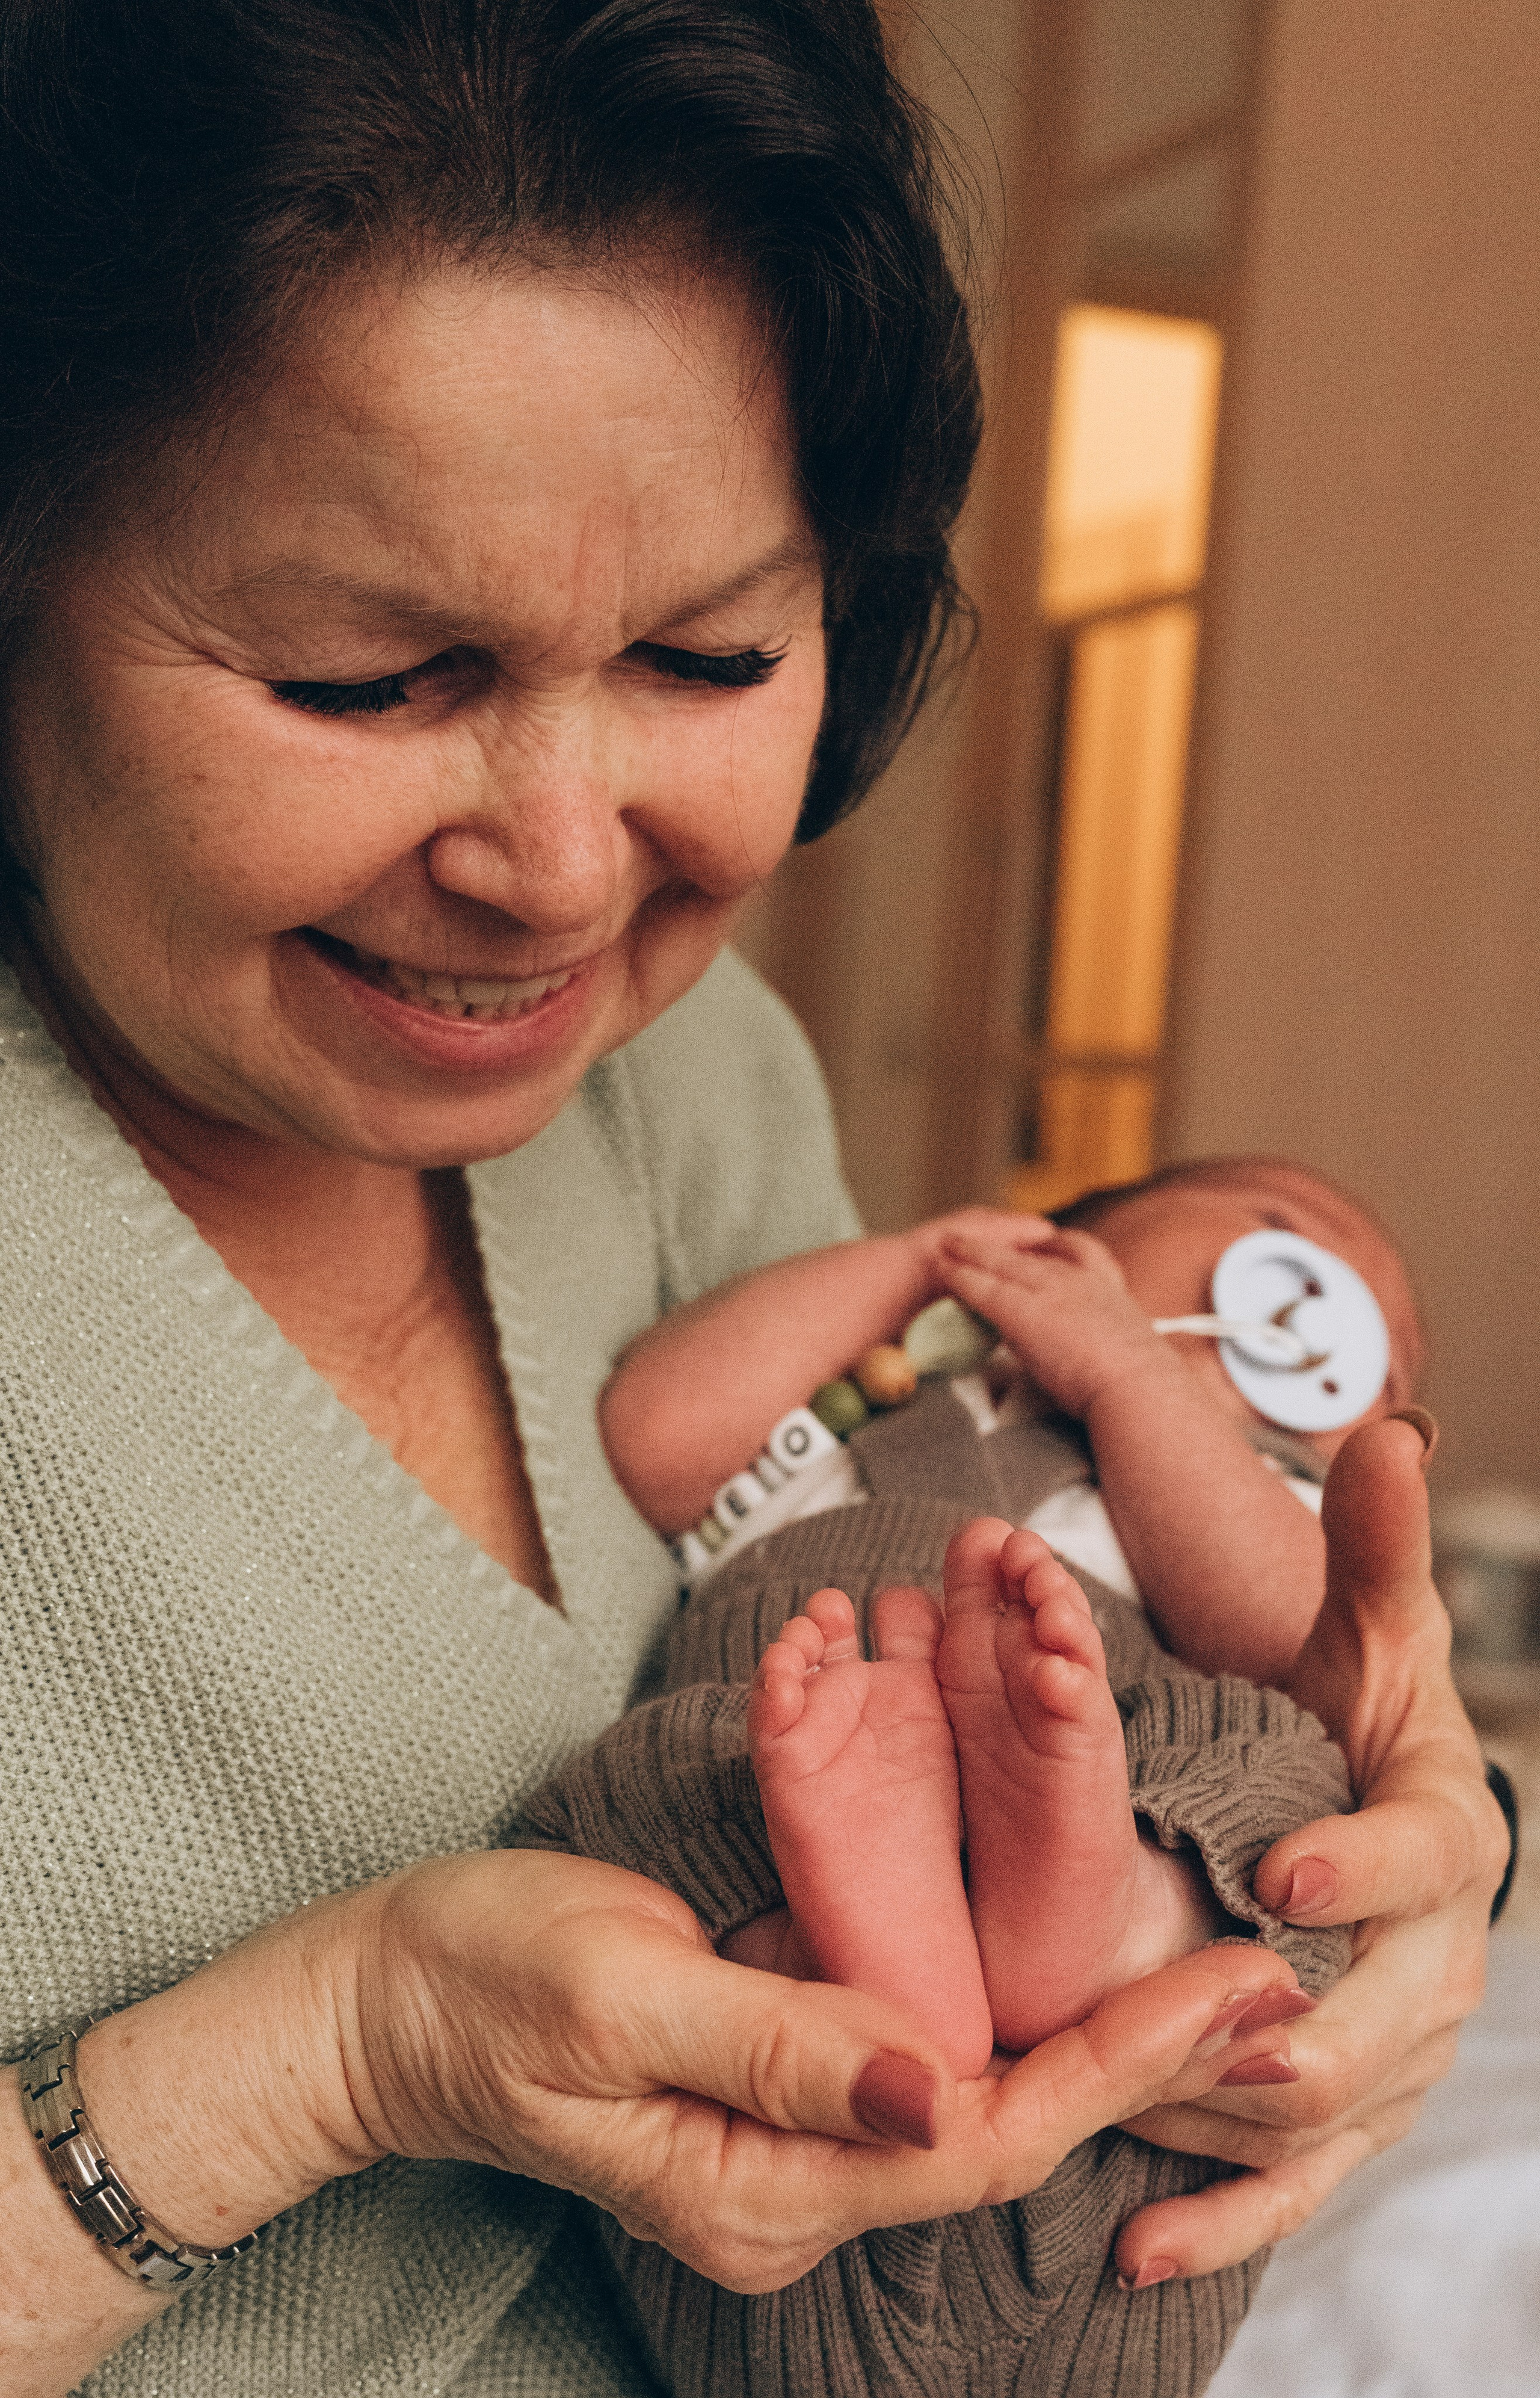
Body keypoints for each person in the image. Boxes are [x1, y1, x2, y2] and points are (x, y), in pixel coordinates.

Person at [0, 7, 1508, 2398]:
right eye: (364, 679)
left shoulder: (684, 1077)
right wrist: (330, 2052)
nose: (562, 874)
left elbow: (963, 1556)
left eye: (709, 654)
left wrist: (1409, 1843)